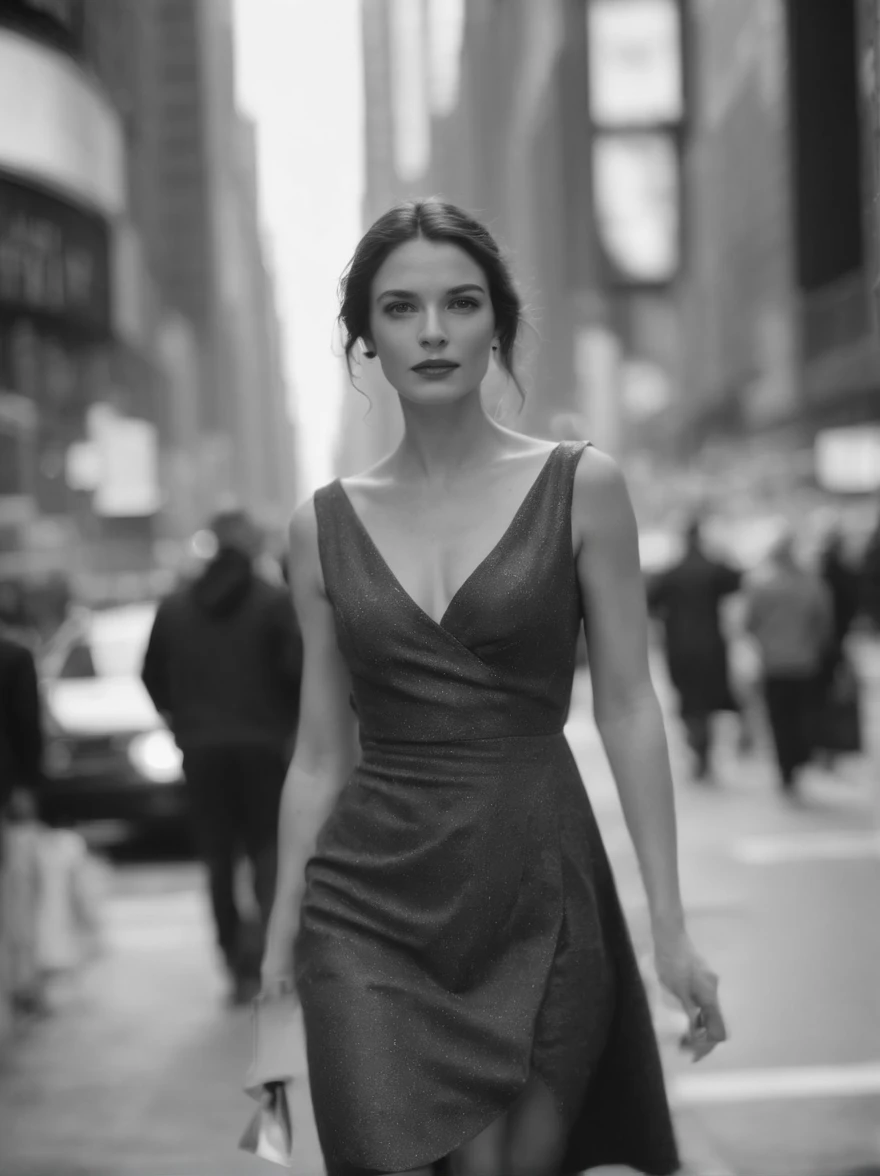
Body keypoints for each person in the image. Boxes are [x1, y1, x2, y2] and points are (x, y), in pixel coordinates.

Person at [258, 199, 726, 1176]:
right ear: (364, 340)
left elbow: (631, 707)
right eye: (399, 309)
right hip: (365, 909)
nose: (432, 332)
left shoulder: (582, 486)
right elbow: (316, 752)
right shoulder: (316, 527)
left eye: (460, 304)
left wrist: (670, 927)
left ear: (498, 325)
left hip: (539, 887)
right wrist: (277, 943)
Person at [141, 509, 302, 1005]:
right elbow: (297, 673)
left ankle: (235, 962)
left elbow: (150, 675)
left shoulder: (174, 606)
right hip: (262, 748)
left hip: (202, 750)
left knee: (217, 857)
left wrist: (181, 723)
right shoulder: (275, 603)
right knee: (267, 853)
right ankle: (275, 959)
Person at [647, 518, 742, 781]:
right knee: (709, 700)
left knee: (688, 700)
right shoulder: (712, 568)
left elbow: (650, 604)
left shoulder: (670, 573)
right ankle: (704, 750)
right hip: (710, 645)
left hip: (679, 646)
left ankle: (697, 748)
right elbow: (737, 579)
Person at [744, 528, 833, 794]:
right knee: (802, 715)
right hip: (804, 660)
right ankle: (799, 758)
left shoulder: (762, 585)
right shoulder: (811, 583)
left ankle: (786, 766)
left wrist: (765, 641)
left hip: (774, 662)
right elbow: (824, 623)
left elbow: (749, 623)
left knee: (779, 718)